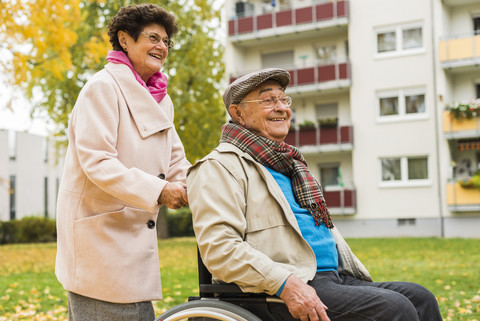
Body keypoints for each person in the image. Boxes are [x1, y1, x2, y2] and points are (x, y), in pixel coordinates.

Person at [187, 68, 443, 321]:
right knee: (394, 308)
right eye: (267, 100)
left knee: (421, 298)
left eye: (283, 99)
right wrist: (286, 284)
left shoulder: (290, 165)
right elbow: (221, 250)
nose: (281, 107)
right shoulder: (219, 166)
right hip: (275, 290)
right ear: (238, 113)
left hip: (331, 277)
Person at [55, 4, 190, 320]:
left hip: (130, 239)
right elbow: (98, 162)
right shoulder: (102, 87)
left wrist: (189, 183)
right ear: (125, 39)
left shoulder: (161, 98)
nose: (162, 47)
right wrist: (160, 191)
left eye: (166, 42)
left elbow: (175, 157)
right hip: (100, 239)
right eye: (153, 38)